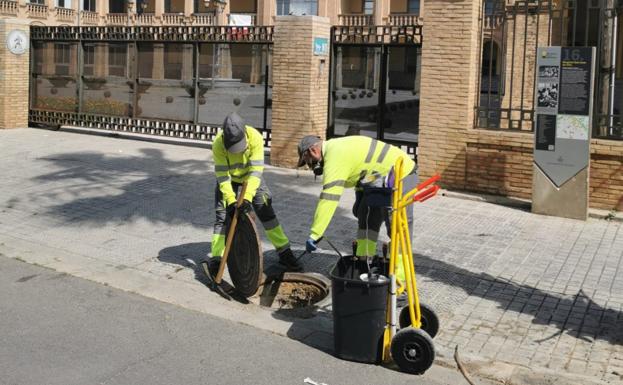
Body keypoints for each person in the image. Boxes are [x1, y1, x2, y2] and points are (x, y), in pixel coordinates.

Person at [297, 135, 417, 280]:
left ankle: (400, 284)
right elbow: (361, 169)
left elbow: (329, 198)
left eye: (309, 162)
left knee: (397, 227)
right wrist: (360, 194)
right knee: (365, 217)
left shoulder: (334, 157)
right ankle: (365, 265)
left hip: (400, 174)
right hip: (377, 178)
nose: (310, 167)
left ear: (313, 150)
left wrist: (315, 234)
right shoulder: (334, 149)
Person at [205, 113, 301, 275]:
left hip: (251, 179)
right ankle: (216, 258)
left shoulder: (255, 137)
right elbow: (222, 176)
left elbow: (256, 171)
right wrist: (230, 200)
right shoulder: (218, 144)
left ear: (244, 132)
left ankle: (284, 252)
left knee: (266, 213)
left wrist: (247, 198)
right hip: (230, 182)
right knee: (222, 218)